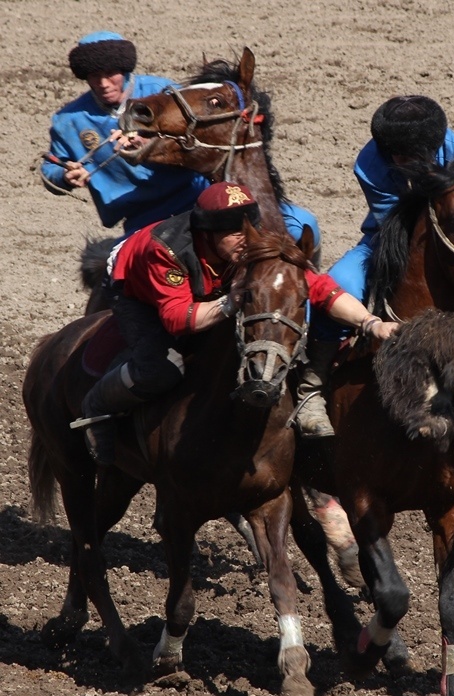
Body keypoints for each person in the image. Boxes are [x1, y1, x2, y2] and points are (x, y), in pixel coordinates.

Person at [76, 182, 396, 465]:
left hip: (205, 290)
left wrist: (370, 323)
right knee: (159, 369)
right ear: (207, 234)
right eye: (232, 233)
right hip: (136, 288)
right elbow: (176, 318)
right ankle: (97, 403)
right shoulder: (165, 251)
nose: (245, 240)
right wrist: (229, 303)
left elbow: (320, 288)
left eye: (247, 228)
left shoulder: (252, 241)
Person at [296, 94, 454, 438]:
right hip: (392, 237)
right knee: (338, 281)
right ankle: (312, 384)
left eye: (407, 155)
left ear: (433, 146)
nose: (398, 160)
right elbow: (397, 226)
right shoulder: (370, 162)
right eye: (393, 154)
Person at [41, 31, 209, 238]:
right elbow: (51, 167)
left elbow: (202, 137)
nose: (103, 83)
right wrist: (65, 176)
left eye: (111, 73)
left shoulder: (164, 93)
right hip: (141, 217)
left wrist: (147, 141)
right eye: (94, 76)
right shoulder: (69, 120)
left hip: (195, 197)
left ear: (125, 69)